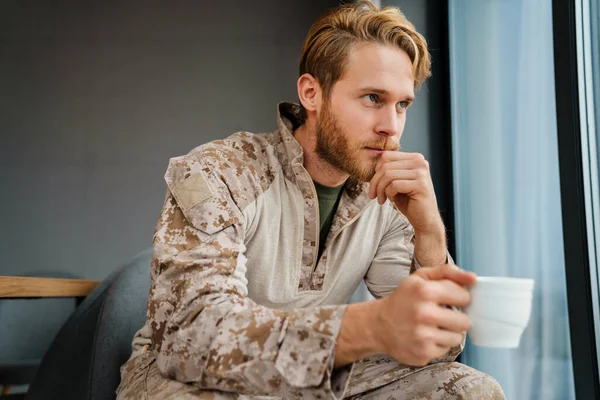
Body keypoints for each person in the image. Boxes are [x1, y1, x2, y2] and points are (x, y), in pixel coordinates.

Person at [116, 2, 505, 399]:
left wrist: (429, 231)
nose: (391, 126)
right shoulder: (219, 172)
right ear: (311, 93)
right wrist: (369, 326)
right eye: (373, 98)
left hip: (312, 377)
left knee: (467, 390)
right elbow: (192, 339)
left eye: (402, 104)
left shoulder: (386, 195)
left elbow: (439, 350)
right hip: (191, 377)